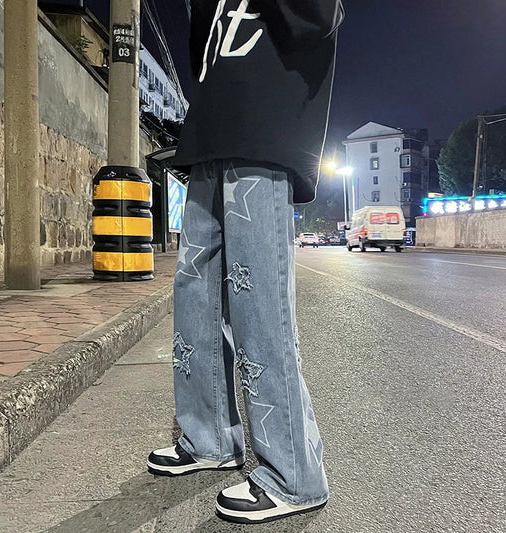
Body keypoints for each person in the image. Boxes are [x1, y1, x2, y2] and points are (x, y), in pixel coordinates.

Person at [147, 0, 345, 524]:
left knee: (257, 298)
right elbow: (201, 48)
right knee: (195, 293)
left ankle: (295, 473)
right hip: (211, 129)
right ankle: (209, 438)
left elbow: (320, 17)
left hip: (263, 128)